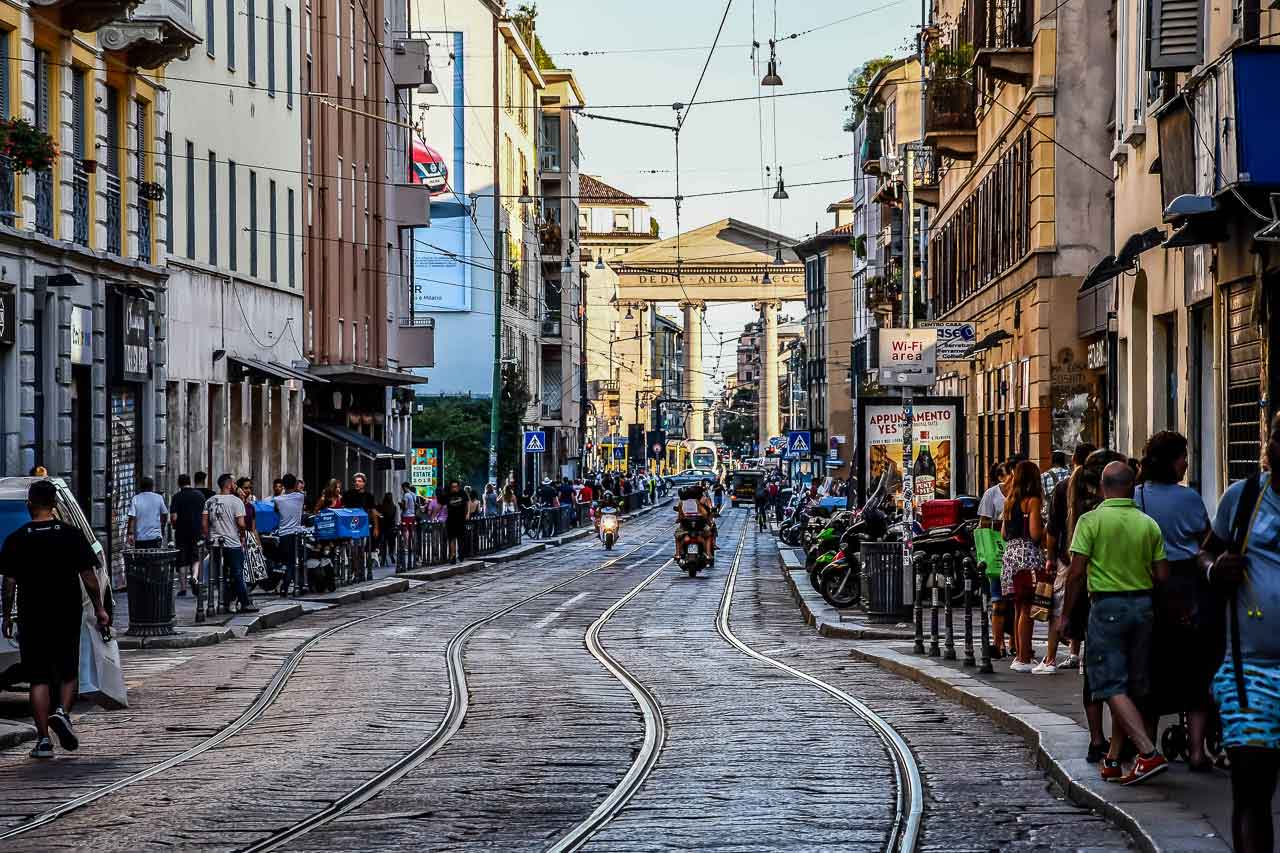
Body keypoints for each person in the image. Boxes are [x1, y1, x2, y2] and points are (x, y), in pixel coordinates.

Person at [1200, 413, 1280, 853]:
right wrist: (1215, 570)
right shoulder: (1244, 497)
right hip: (1251, 672)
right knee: (1251, 789)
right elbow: (1205, 553)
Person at [1062, 460, 1169, 786]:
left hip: (1107, 608)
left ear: (1103, 488)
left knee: (1108, 683)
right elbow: (1162, 575)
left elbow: (1077, 571)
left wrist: (1066, 615)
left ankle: (1148, 753)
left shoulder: (1090, 521)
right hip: (1143, 608)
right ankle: (1112, 760)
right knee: (1132, 687)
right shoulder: (1148, 524)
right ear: (1132, 486)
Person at [0, 480, 110, 759]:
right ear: (55, 505)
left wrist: (7, 615)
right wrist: (99, 608)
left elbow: (9, 582)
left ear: (29, 505)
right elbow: (90, 578)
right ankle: (62, 712)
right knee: (68, 671)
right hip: (65, 612)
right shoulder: (71, 535)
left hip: (31, 615)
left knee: (38, 678)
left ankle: (43, 741)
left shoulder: (16, 538)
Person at [1133, 431, 1216, 770]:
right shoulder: (1190, 499)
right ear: (1170, 461)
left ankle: (1147, 750)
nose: (1186, 462)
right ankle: (1197, 752)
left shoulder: (1136, 496)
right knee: (1196, 670)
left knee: (1153, 670)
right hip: (1189, 586)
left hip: (1150, 586)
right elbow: (1207, 538)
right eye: (1183, 456)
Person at [1037, 443, 1096, 674]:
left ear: (1074, 462)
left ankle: (1052, 658)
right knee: (1090, 604)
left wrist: (1050, 557)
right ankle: (1082, 657)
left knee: (1061, 605)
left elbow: (1052, 529)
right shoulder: (1097, 488)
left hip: (1066, 554)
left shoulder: (1064, 487)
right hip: (1094, 554)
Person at [1001, 460, 1045, 672]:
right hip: (1026, 555)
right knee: (1027, 608)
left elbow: (1002, 533)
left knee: (1019, 607)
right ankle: (1023, 658)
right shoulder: (1032, 501)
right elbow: (1036, 533)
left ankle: (1020, 655)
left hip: (1010, 554)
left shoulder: (1009, 501)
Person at [203, 473, 257, 614]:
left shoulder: (209, 501)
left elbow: (204, 524)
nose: (235, 486)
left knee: (219, 575)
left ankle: (222, 603)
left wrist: (209, 537)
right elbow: (241, 523)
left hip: (215, 543)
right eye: (234, 484)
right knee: (237, 574)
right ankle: (245, 603)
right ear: (228, 484)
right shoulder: (236, 501)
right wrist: (241, 535)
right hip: (232, 543)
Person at [170, 473, 206, 597]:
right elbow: (204, 515)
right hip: (197, 531)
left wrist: (175, 525)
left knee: (182, 559)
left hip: (181, 532)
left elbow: (174, 517)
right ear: (190, 482)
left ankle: (183, 588)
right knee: (196, 556)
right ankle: (195, 577)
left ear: (178, 483)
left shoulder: (177, 497)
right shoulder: (200, 496)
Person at [272, 473, 305, 596]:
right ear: (295, 484)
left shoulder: (277, 499)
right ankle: (289, 586)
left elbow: (276, 510)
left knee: (289, 562)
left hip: (284, 534)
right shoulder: (300, 496)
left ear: (283, 485)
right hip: (297, 533)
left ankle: (291, 586)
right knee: (295, 561)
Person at [126, 476, 168, 549]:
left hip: (141, 538)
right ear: (152, 487)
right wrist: (162, 527)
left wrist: (130, 534)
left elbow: (131, 518)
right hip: (155, 537)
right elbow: (164, 514)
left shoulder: (136, 498)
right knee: (155, 559)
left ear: (141, 487)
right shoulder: (159, 498)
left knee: (141, 559)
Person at [443, 480, 469, 563]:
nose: (455, 488)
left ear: (458, 486)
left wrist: (467, 513)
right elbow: (444, 505)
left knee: (461, 538)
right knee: (451, 538)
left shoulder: (462, 493)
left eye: (456, 486)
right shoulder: (448, 494)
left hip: (460, 519)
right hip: (451, 519)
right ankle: (453, 556)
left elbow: (467, 502)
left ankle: (461, 554)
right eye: (453, 486)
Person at [1041, 451, 1071, 519]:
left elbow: (1042, 498)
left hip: (1050, 516)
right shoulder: (1071, 475)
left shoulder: (1044, 476)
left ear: (1052, 461)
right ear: (1064, 461)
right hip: (1067, 515)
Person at [377, 492, 398, 567]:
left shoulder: (382, 507)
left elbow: (380, 517)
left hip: (384, 527)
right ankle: (391, 554)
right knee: (391, 543)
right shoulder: (394, 507)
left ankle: (383, 559)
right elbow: (394, 518)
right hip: (391, 527)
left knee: (383, 544)